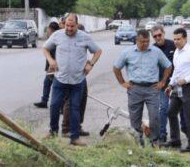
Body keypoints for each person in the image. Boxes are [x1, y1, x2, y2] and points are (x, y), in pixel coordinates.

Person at [43, 14, 102, 146]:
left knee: (75, 108)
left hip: (77, 80)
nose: (69, 29)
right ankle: (53, 131)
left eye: (72, 26)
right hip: (60, 79)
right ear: (64, 24)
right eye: (67, 26)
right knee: (54, 105)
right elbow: (45, 48)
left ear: (77, 25)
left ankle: (75, 137)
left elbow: (98, 51)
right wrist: (51, 60)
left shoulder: (85, 37)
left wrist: (90, 64)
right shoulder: (57, 35)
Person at [113, 29, 172, 146]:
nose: (145, 44)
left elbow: (168, 66)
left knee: (154, 116)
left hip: (152, 89)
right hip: (135, 89)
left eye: (147, 41)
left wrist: (163, 82)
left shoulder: (156, 52)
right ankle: (138, 141)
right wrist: (123, 82)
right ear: (136, 40)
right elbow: (116, 67)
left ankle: (154, 141)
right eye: (142, 42)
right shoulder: (127, 52)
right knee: (135, 117)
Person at [164, 28, 190, 153]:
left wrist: (186, 79)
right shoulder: (177, 52)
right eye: (174, 39)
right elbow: (176, 70)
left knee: (188, 116)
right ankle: (175, 140)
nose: (176, 41)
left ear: (185, 38)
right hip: (177, 87)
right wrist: (170, 85)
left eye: (178, 39)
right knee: (171, 112)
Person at [151, 25, 185, 142]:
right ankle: (162, 133)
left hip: (176, 82)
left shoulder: (173, 45)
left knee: (181, 108)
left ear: (164, 34)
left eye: (159, 35)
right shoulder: (152, 49)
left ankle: (185, 128)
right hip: (162, 84)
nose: (157, 37)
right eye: (155, 36)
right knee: (164, 108)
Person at [34, 21, 62, 109]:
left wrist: (53, 63)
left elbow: (55, 53)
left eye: (49, 29)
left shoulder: (55, 39)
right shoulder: (52, 38)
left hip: (55, 66)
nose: (48, 31)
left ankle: (60, 106)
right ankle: (44, 101)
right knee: (47, 83)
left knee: (57, 87)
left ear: (51, 29)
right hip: (51, 66)